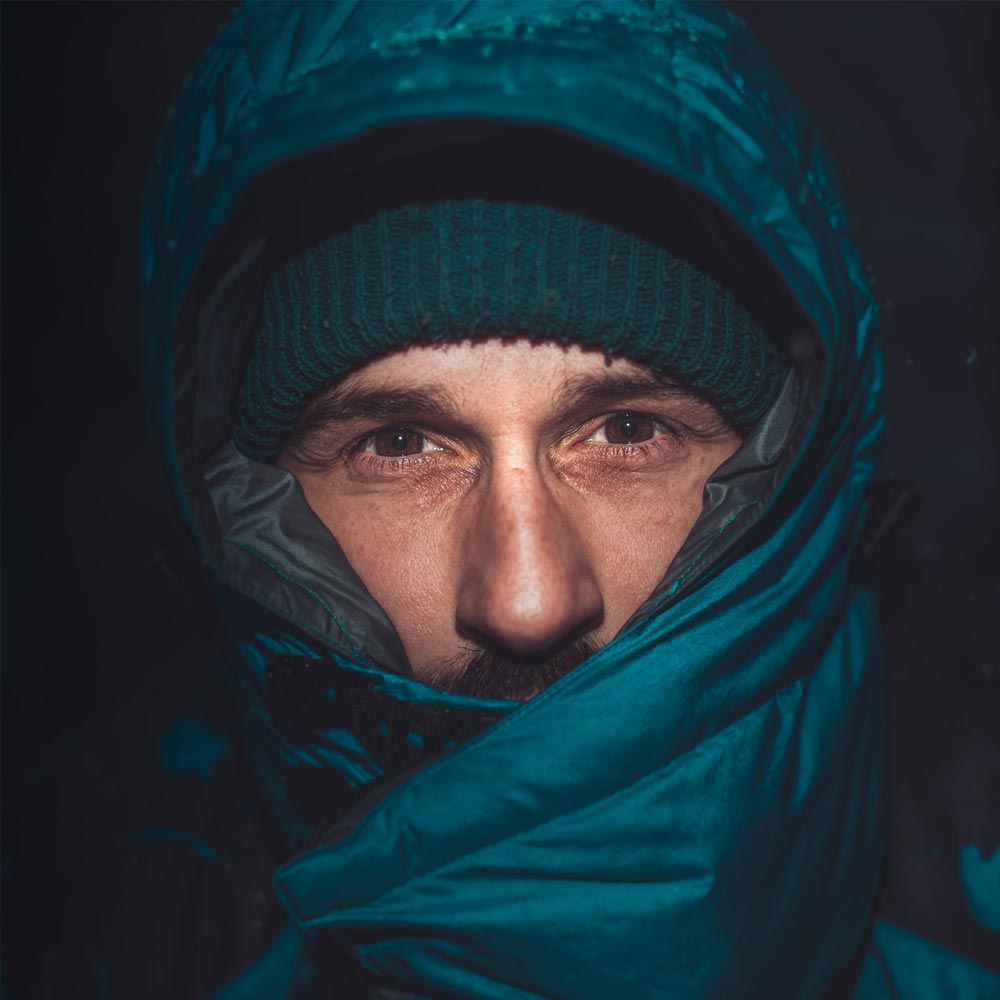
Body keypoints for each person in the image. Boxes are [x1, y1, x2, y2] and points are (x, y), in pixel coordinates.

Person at [12, 2, 994, 998]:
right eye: (400, 446)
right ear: (255, 517)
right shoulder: (78, 898)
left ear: (791, 474)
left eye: (626, 432)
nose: (528, 600)